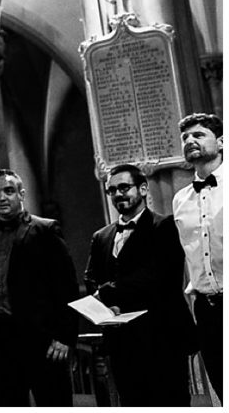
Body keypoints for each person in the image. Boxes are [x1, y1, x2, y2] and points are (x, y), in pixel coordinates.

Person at [0, 169, 79, 406]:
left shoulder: (45, 230)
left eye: (8, 191)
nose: (1, 197)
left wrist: (64, 337)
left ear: (21, 194)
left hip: (43, 343)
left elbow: (66, 286)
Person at [84, 164, 196, 406]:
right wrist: (106, 307)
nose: (117, 194)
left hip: (161, 336)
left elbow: (159, 276)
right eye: (111, 190)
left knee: (171, 401)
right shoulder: (101, 236)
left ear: (143, 188)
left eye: (124, 187)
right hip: (122, 342)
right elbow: (90, 277)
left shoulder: (164, 226)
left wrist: (106, 292)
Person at [173, 112, 222, 400]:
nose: (190, 140)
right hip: (206, 309)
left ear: (222, 141)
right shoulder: (180, 199)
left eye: (199, 135)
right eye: (185, 137)